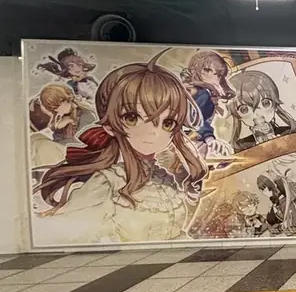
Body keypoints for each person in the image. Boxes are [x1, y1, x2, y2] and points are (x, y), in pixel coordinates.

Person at [33, 50, 208, 243]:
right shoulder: (108, 181)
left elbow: (178, 229)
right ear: (109, 126)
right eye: (132, 118)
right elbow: (75, 236)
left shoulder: (163, 178)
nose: (153, 132)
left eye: (168, 123)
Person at [228, 70, 296, 152]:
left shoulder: (291, 132)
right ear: (237, 116)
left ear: (275, 105)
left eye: (266, 103)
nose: (257, 114)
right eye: (244, 109)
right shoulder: (241, 146)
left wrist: (284, 148)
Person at [181, 50, 236, 158]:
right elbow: (196, 119)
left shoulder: (201, 91)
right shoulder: (201, 93)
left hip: (190, 138)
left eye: (219, 75)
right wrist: (209, 137)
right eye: (208, 70)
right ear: (197, 70)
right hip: (191, 139)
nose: (215, 77)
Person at [28, 83, 96, 144]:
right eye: (53, 108)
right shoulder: (62, 117)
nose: (57, 110)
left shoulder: (86, 115)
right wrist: (57, 127)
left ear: (68, 98)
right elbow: (56, 138)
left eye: (57, 105)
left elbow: (83, 142)